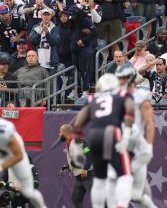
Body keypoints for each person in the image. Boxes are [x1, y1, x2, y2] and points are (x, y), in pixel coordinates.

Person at [72, 74, 135, 208]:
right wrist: (127, 134)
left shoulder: (92, 98)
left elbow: (77, 125)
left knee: (99, 179)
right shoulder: (122, 94)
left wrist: (77, 148)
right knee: (125, 175)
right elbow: (130, 112)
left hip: (94, 135)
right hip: (112, 132)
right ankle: (122, 205)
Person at [0, 107, 47, 208]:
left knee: (29, 192)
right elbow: (3, 179)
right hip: (11, 187)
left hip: (18, 159)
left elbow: (19, 156)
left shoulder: (5, 129)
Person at [112, 64, 156, 207]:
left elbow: (149, 123)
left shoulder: (141, 95)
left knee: (136, 194)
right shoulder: (116, 96)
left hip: (137, 148)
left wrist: (149, 146)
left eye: (123, 78)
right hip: (121, 146)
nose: (121, 81)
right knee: (130, 191)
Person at [58, 124, 93, 208]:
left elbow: (88, 153)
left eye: (60, 132)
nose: (59, 134)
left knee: (98, 199)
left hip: (88, 174)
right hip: (80, 177)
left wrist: (85, 169)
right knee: (76, 198)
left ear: (65, 132)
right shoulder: (69, 142)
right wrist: (67, 167)